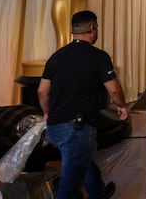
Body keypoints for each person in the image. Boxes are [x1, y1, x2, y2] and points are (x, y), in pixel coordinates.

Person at [37, 10, 128, 199]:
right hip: (78, 128)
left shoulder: (56, 57)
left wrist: (47, 113)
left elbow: (42, 92)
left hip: (55, 128)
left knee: (82, 162)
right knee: (69, 187)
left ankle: (99, 193)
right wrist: (122, 105)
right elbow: (114, 90)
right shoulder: (99, 56)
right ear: (93, 28)